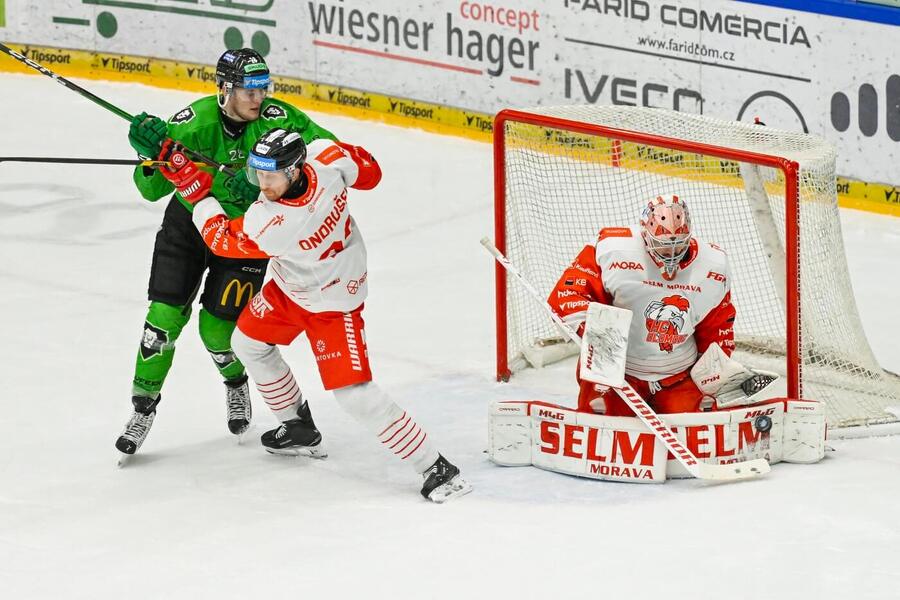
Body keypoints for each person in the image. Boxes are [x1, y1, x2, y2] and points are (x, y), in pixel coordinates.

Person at [152, 127, 472, 502]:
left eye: (269, 176)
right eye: (259, 172)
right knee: (247, 342)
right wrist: (340, 159)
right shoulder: (326, 157)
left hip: (333, 302)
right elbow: (370, 174)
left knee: (353, 393)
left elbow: (221, 239)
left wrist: (197, 192)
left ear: (292, 172)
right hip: (292, 286)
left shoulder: (272, 222)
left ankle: (435, 466)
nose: (261, 182)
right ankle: (299, 427)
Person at [116, 48, 337, 460]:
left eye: (262, 88)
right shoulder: (195, 123)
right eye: (248, 89)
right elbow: (149, 189)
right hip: (190, 223)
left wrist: (263, 191)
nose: (258, 98)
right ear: (223, 88)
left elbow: (330, 154)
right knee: (161, 324)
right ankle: (142, 407)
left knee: (218, 332)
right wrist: (151, 159)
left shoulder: (278, 120)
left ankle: (235, 382)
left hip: (246, 235)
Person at [548, 194, 736, 416]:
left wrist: (714, 371)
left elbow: (717, 324)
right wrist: (593, 332)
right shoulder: (613, 248)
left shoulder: (713, 264)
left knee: (696, 431)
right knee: (601, 429)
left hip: (679, 374)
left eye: (679, 245)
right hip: (618, 371)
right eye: (663, 246)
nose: (672, 254)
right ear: (645, 234)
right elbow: (568, 293)